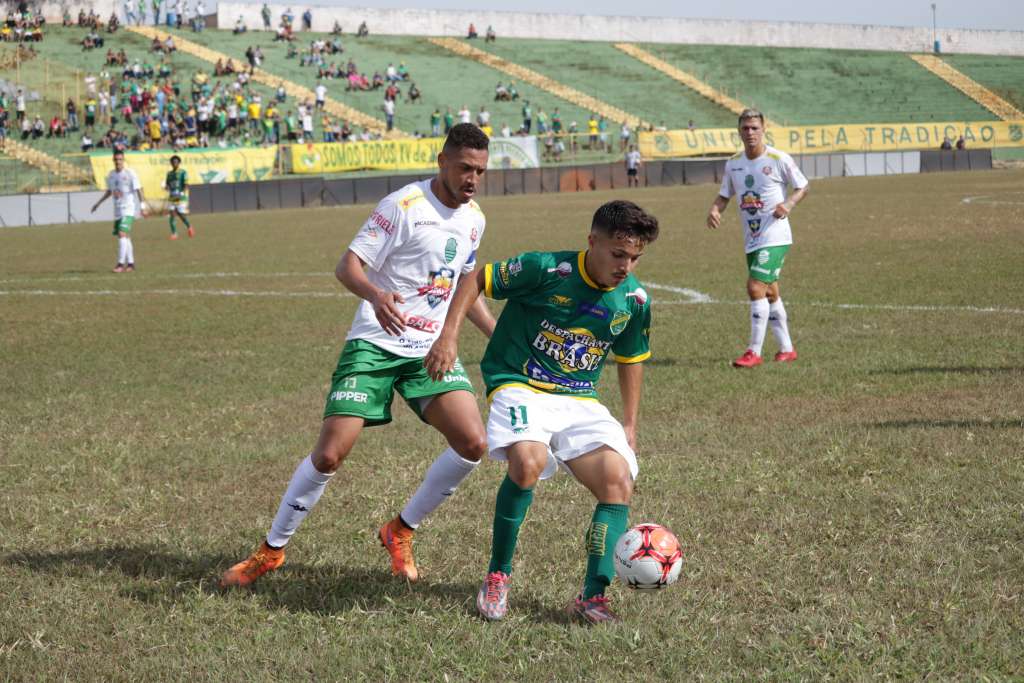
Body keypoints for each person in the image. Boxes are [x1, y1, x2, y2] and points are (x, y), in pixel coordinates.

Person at [219, 124, 494, 589]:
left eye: (481, 171)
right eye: (465, 167)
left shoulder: (474, 219)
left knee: (473, 444)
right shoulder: (403, 206)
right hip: (374, 342)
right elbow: (347, 266)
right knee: (329, 456)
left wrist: (495, 334)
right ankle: (270, 551)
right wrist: (376, 295)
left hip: (427, 348)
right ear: (442, 160)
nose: (472, 179)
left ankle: (399, 531)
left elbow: (465, 285)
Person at [424, 200, 659, 625]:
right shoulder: (546, 269)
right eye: (618, 254)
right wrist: (449, 335)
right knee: (528, 462)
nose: (626, 265)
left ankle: (593, 595)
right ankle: (498, 574)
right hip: (518, 383)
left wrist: (629, 423)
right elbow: (477, 278)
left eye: (635, 257)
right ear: (592, 242)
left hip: (579, 398)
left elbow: (632, 358)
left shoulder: (634, 300)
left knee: (617, 480)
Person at [706, 109, 809, 368]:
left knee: (755, 287)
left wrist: (789, 204)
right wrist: (715, 209)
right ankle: (786, 348)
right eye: (745, 128)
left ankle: (754, 351)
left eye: (755, 128)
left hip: (775, 234)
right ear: (739, 131)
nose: (750, 133)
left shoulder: (777, 158)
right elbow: (724, 194)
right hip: (752, 236)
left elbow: (803, 185)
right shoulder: (734, 163)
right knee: (771, 292)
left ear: (764, 129)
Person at [91, 149, 148, 273]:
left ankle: (120, 264)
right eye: (116, 159)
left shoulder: (130, 173)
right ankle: (131, 264)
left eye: (120, 159)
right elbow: (109, 192)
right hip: (117, 210)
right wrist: (98, 203)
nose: (118, 162)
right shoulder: (111, 175)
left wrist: (143, 207)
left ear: (124, 160)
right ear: (113, 160)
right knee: (125, 237)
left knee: (122, 233)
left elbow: (139, 190)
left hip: (128, 209)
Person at [165, 154, 194, 239]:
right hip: (172, 197)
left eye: (176, 162)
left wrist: (182, 192)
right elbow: (168, 185)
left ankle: (189, 227)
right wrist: (167, 187)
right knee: (172, 214)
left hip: (180, 197)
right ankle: (174, 233)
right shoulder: (169, 174)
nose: (174, 163)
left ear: (179, 163)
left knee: (181, 214)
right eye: (173, 162)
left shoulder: (183, 172)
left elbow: (186, 184)